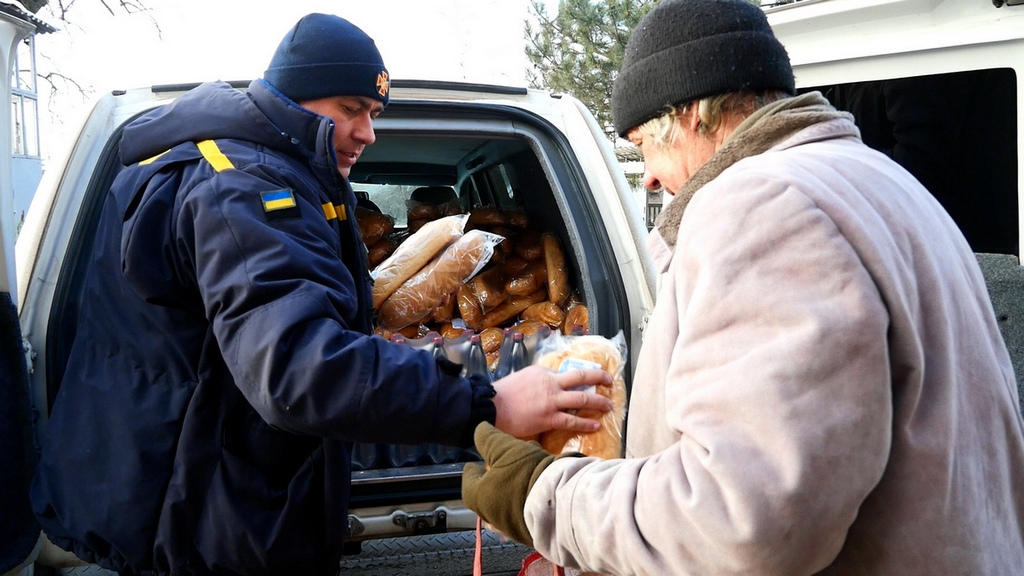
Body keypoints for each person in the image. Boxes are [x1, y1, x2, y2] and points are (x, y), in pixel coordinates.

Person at [29, 13, 612, 576]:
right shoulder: (242, 189)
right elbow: (299, 367)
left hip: (201, 495)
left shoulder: (244, 173)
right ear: (291, 98)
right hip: (202, 520)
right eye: (351, 109)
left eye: (375, 112)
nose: (368, 132)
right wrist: (487, 403)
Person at [461, 0, 1024, 574]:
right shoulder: (889, 184)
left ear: (693, 115)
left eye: (645, 147)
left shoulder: (761, 205)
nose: (649, 176)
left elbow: (742, 524)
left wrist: (546, 495)